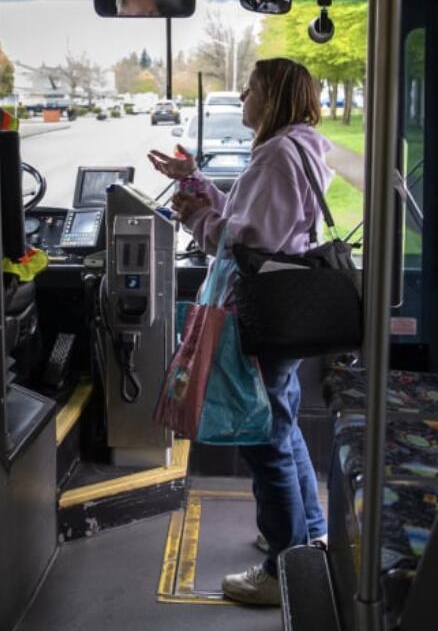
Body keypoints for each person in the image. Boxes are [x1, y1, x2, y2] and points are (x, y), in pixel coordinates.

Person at [147, 57, 330, 606]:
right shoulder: (302, 144)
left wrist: (191, 216)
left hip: (261, 313)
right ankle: (307, 529)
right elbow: (253, 221)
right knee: (282, 419)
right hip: (287, 310)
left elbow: (246, 245)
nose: (243, 98)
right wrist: (197, 184)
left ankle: (282, 567)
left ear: (270, 97)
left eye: (250, 90)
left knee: (264, 438)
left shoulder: (275, 154)